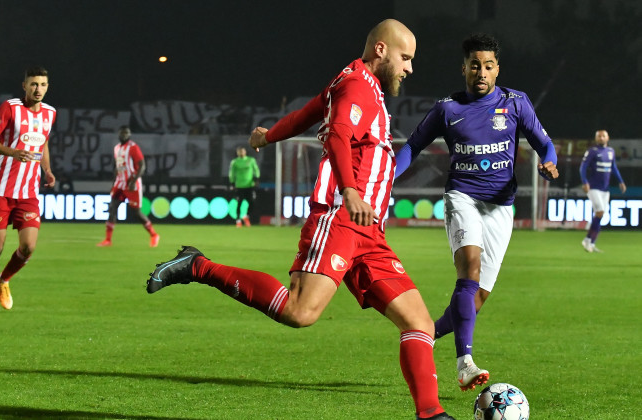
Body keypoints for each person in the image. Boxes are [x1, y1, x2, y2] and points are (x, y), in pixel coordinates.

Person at [146, 19, 455, 420]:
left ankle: (431, 413)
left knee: (419, 323)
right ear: (381, 50)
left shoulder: (356, 83)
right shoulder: (357, 86)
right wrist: (349, 190)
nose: (410, 68)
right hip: (342, 218)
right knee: (300, 311)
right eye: (405, 57)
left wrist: (268, 135)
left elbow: (310, 112)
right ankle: (198, 266)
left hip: (369, 231)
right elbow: (339, 135)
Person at [394, 33, 559, 391]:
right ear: (464, 68)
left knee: (476, 298)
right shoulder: (447, 109)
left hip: (501, 206)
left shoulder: (517, 103)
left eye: (487, 66)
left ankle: (425, 334)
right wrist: (385, 176)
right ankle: (465, 363)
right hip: (462, 196)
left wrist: (549, 161)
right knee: (467, 272)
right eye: (474, 65)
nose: (480, 72)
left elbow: (544, 142)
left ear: (497, 69)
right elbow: (412, 147)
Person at [0, 66, 57, 315]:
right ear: (24, 86)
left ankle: (4, 279)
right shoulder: (10, 108)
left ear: (47, 86)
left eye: (42, 84)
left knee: (28, 247)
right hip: (2, 188)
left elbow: (43, 142)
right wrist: (13, 152)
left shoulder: (50, 113)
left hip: (29, 191)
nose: (38, 89)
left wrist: (47, 169)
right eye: (33, 84)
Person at [97, 126, 159, 247]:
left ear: (130, 134)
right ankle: (108, 240)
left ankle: (153, 234)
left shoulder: (133, 147)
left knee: (136, 212)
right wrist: (113, 183)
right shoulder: (117, 148)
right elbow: (117, 167)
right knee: (112, 208)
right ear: (119, 134)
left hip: (132, 184)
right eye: (122, 133)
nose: (124, 135)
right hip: (120, 183)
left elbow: (142, 166)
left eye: (127, 133)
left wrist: (134, 180)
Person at [579, 129, 626, 252]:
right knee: (600, 212)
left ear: (607, 138)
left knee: (600, 215)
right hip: (593, 188)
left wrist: (621, 181)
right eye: (599, 136)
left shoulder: (610, 151)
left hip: (605, 189)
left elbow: (613, 167)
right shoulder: (592, 151)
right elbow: (583, 168)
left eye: (603, 136)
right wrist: (585, 182)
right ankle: (587, 241)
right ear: (596, 139)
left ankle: (590, 242)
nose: (601, 138)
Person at [229, 146, 260, 227]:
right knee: (239, 203)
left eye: (242, 151)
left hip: (249, 185)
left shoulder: (251, 160)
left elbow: (256, 169)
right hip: (239, 186)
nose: (241, 153)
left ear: (245, 152)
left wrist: (256, 179)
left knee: (252, 202)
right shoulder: (235, 162)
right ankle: (238, 220)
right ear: (237, 153)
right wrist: (232, 183)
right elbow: (231, 173)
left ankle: (246, 216)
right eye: (240, 152)